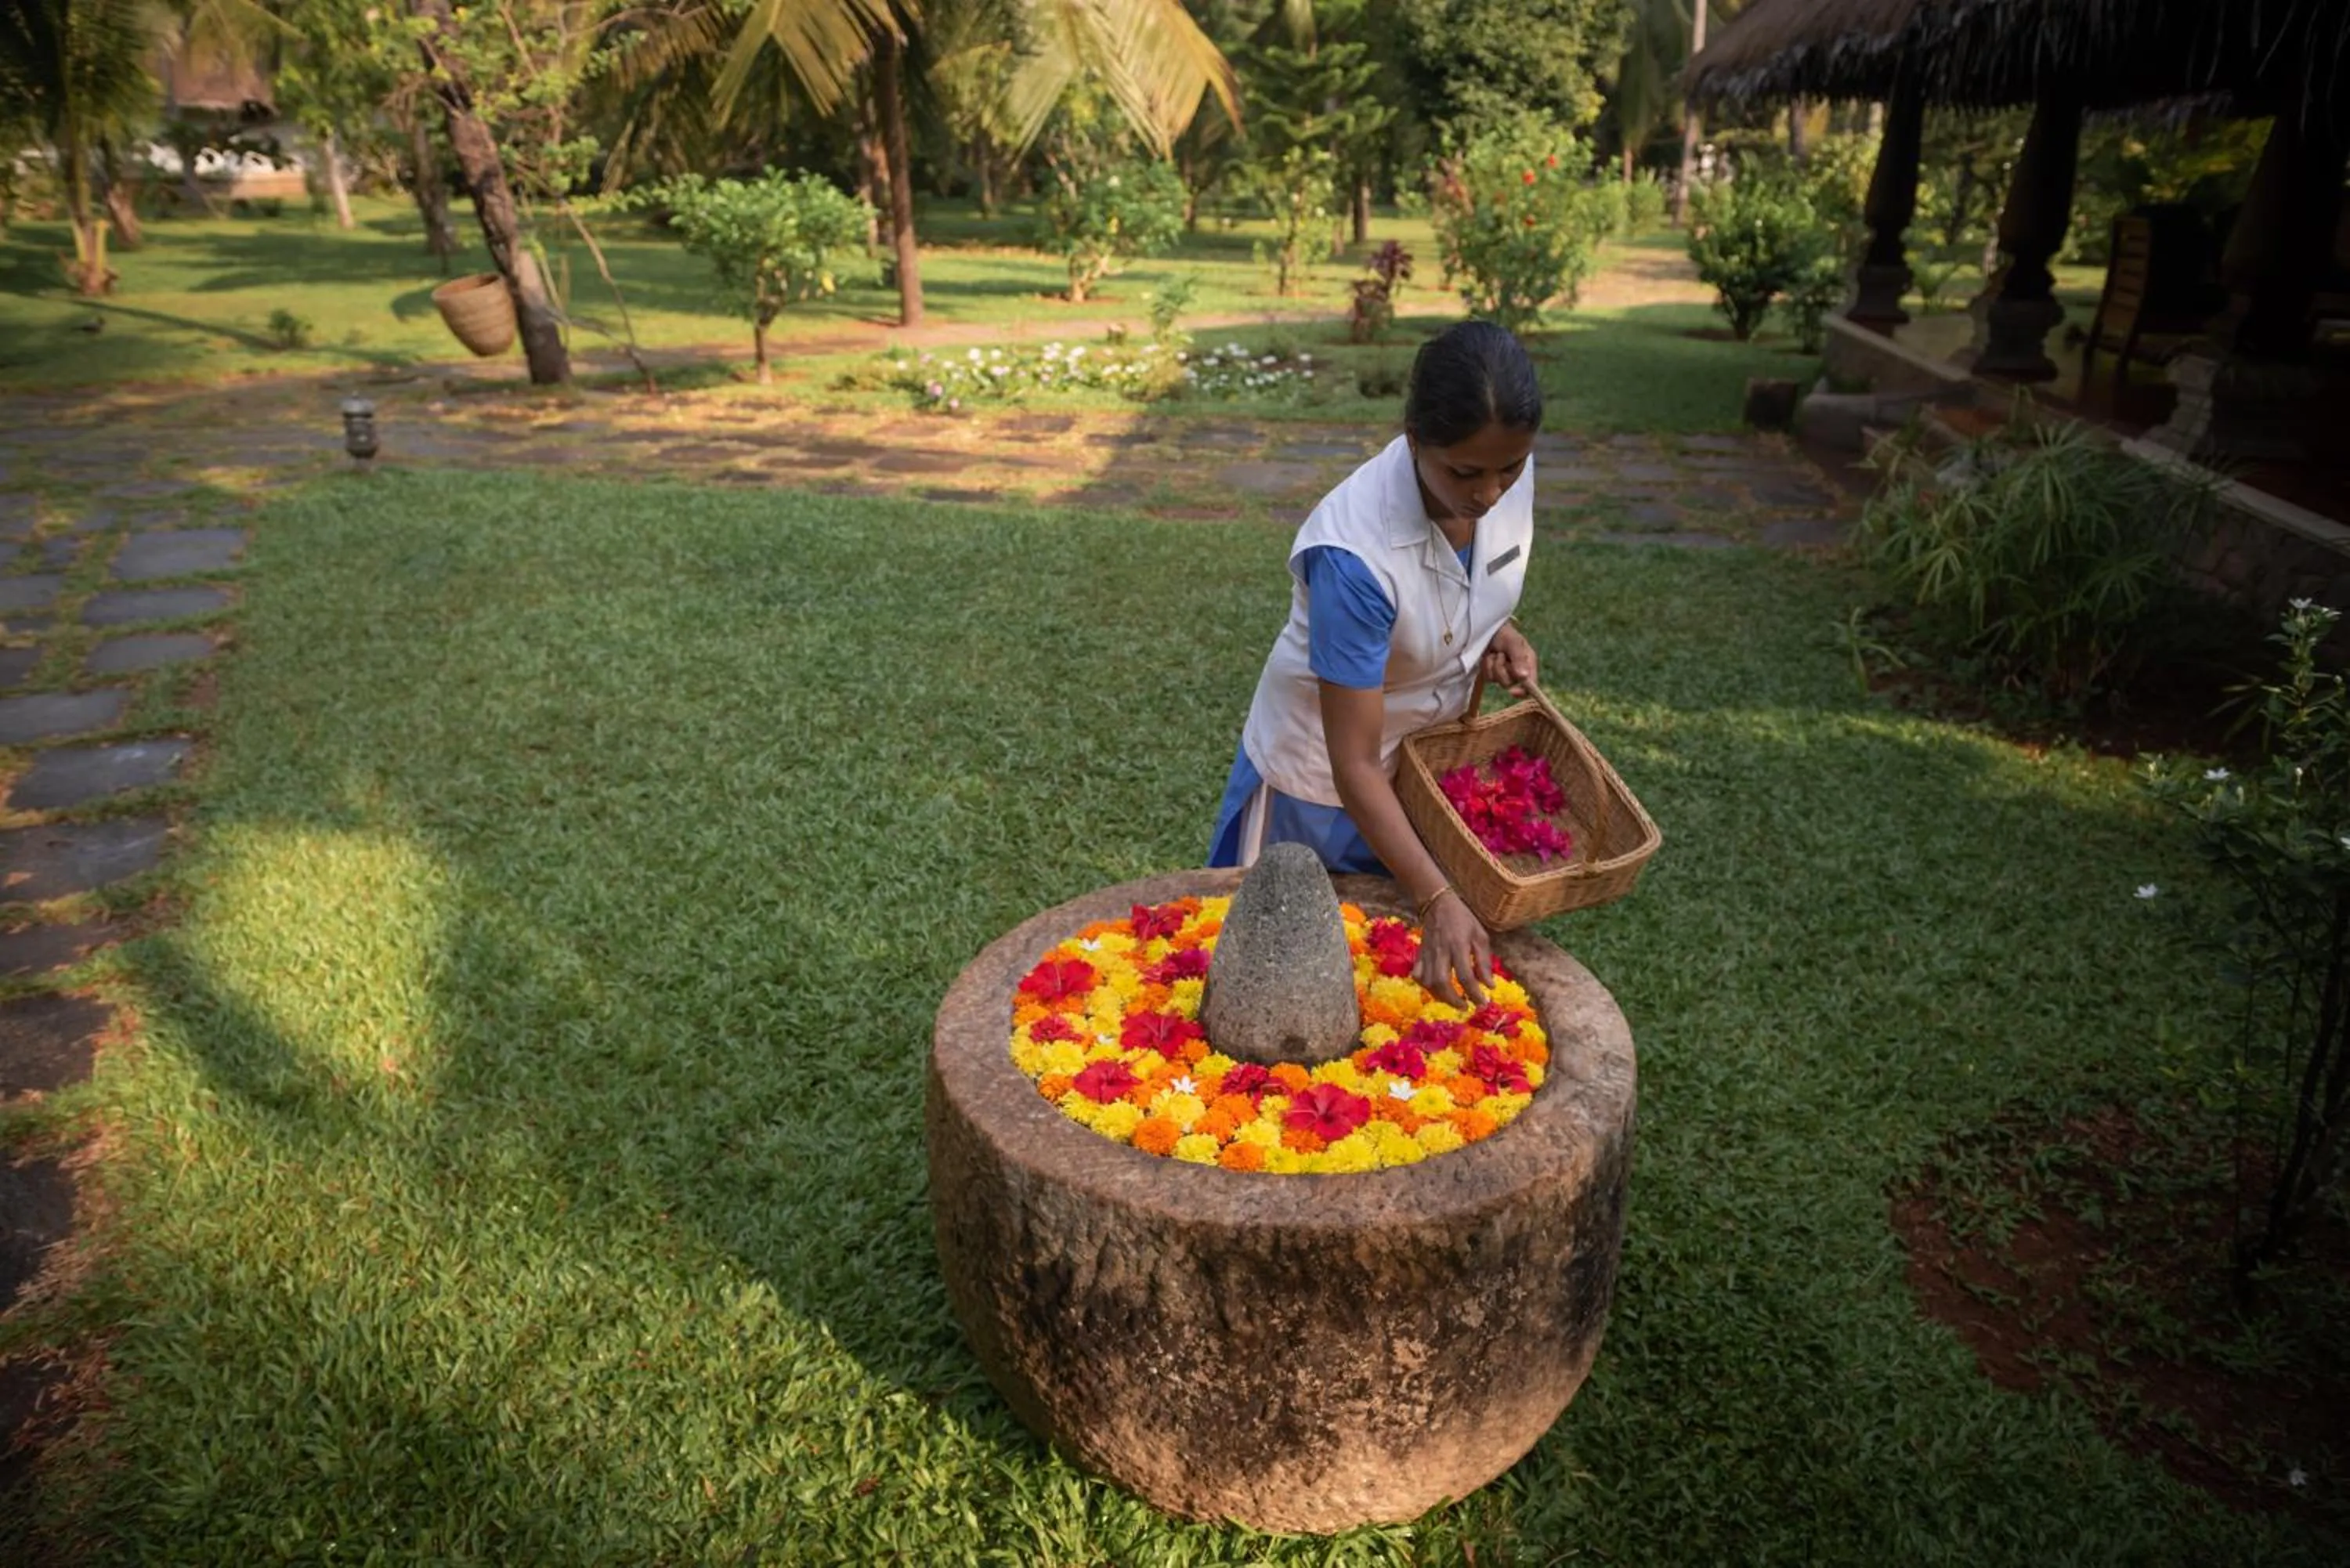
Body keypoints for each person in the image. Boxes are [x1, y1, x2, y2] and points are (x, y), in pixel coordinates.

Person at [1208, 319, 1542, 1007]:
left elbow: (1465, 575)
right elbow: (1354, 764)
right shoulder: (1354, 555)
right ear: (1415, 439)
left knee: (1387, 998)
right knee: (1284, 982)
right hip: (1320, 793)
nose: (1489, 494)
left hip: (1421, 771)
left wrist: (1495, 625)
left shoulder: (1506, 464)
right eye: (1466, 473)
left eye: (1508, 469)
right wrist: (1439, 894)